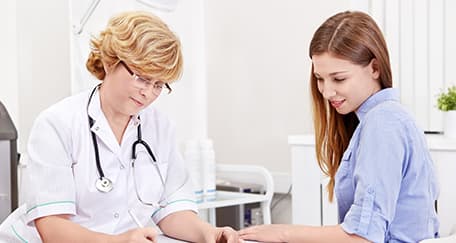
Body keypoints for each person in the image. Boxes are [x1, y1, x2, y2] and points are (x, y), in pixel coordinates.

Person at [1, 11, 239, 243]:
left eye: (158, 84)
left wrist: (209, 234)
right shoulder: (58, 123)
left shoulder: (160, 128)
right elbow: (52, 229)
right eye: (142, 77)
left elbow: (172, 210)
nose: (147, 92)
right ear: (109, 61)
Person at [239, 11, 439, 243]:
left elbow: (362, 237)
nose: (326, 92)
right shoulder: (380, 120)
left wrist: (283, 233)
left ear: (374, 68)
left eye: (339, 79)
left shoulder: (383, 123)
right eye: (320, 79)